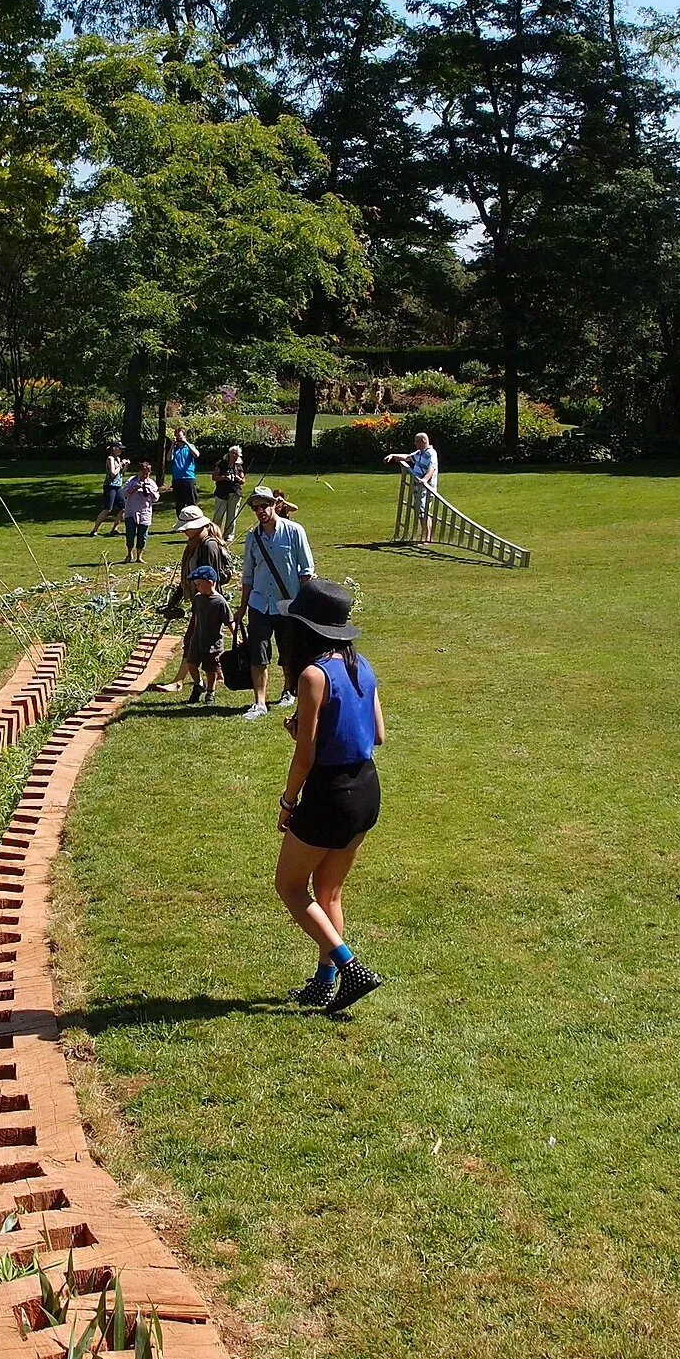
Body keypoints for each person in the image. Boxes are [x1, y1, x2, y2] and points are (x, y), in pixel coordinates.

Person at [273, 578, 385, 1018]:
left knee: (290, 886)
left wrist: (287, 802)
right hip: (365, 789)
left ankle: (349, 967)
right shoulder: (365, 666)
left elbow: (306, 755)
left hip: (329, 794)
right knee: (329, 892)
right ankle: (325, 984)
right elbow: (378, 734)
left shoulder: (312, 675)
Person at [234, 485, 315, 721]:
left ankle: (288, 690)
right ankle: (259, 702)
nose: (260, 511)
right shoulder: (252, 537)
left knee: (288, 651)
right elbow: (247, 574)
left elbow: (306, 570)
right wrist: (242, 606)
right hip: (259, 603)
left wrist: (301, 601)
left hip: (288, 603)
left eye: (264, 505)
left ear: (275, 504)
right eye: (255, 507)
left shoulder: (294, 531)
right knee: (258, 653)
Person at [153, 561, 232, 703]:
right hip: (197, 638)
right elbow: (196, 617)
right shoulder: (198, 599)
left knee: (210, 669)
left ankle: (210, 692)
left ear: (210, 582)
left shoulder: (220, 602)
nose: (196, 586)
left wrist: (236, 637)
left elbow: (229, 621)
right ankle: (198, 683)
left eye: (198, 584)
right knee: (191, 663)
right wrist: (193, 634)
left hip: (213, 642)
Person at [386, 431, 439, 543]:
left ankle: (427, 538)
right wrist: (393, 455)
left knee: (423, 512)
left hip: (426, 487)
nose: (415, 444)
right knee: (421, 511)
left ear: (423, 441)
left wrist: (425, 479)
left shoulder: (430, 453)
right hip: (418, 487)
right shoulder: (419, 453)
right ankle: (427, 537)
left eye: (416, 442)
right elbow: (407, 457)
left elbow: (432, 467)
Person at [121, 459, 160, 564]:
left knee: (142, 536)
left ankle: (139, 556)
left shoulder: (151, 483)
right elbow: (124, 492)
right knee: (130, 534)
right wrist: (135, 487)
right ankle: (129, 554)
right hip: (131, 512)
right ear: (139, 472)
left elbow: (156, 498)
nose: (145, 476)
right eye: (143, 473)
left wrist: (150, 490)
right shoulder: (132, 480)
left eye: (147, 474)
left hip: (145, 513)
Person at [90, 440, 126, 537]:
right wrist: (121, 464)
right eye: (120, 449)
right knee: (107, 509)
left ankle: (114, 529)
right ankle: (94, 530)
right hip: (110, 486)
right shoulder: (110, 459)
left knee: (123, 508)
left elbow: (121, 473)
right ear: (114, 449)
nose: (121, 451)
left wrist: (125, 465)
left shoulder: (118, 459)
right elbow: (113, 473)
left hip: (118, 486)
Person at [212, 445, 245, 536]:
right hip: (221, 492)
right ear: (229, 453)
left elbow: (243, 481)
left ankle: (229, 535)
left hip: (235, 492)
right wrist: (223, 477)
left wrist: (238, 478)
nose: (234, 455)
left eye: (236, 454)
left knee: (232, 515)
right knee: (218, 515)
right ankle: (214, 534)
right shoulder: (221, 464)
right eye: (233, 453)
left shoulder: (239, 466)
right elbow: (214, 477)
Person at [168, 426, 201, 513]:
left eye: (181, 437)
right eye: (177, 437)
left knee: (192, 502)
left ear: (184, 436)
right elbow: (169, 458)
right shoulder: (174, 449)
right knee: (179, 504)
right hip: (177, 479)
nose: (179, 439)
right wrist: (172, 445)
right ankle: (181, 522)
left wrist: (186, 443)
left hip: (189, 477)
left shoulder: (190, 447)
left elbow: (197, 455)